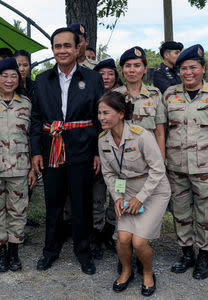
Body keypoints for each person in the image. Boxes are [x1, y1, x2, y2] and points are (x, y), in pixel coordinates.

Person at [31, 27, 104, 275]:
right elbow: (35, 118)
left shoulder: (92, 79)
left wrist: (96, 152)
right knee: (53, 203)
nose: (62, 50)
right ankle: (50, 251)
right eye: (57, 46)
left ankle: (83, 253)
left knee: (81, 203)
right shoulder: (42, 80)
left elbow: (99, 119)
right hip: (51, 150)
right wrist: (36, 152)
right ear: (53, 50)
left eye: (67, 46)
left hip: (82, 149)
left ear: (77, 48)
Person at [163, 44, 208, 280]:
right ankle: (186, 254)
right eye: (183, 68)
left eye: (193, 67)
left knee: (207, 214)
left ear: (203, 68)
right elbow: (161, 131)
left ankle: (204, 256)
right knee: (181, 214)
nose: (188, 72)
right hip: (176, 167)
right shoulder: (170, 95)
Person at [98, 91, 170, 296]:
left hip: (153, 190)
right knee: (122, 239)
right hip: (127, 189)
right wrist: (118, 198)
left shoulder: (141, 135)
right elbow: (109, 172)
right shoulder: (103, 139)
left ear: (121, 114)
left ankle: (148, 272)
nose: (102, 117)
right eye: (99, 113)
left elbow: (158, 170)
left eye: (106, 112)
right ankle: (127, 271)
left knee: (139, 241)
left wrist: (140, 198)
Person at [0, 57, 37, 273]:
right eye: (4, 75)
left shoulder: (26, 103)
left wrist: (33, 166)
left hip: (20, 166)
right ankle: (0, 250)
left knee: (18, 210)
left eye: (13, 75)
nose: (9, 80)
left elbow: (31, 137)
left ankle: (14, 251)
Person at [90, 58, 122, 258]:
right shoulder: (90, 96)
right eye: (102, 74)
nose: (106, 77)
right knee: (97, 197)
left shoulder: (122, 97)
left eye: (110, 73)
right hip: (97, 157)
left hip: (120, 161)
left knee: (117, 196)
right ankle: (95, 235)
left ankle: (109, 233)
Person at [114, 46, 166, 160]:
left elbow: (159, 132)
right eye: (128, 66)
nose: (132, 70)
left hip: (149, 159)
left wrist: (161, 162)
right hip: (122, 161)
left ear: (145, 69)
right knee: (120, 179)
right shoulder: (114, 96)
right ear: (122, 69)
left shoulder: (155, 95)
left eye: (137, 65)